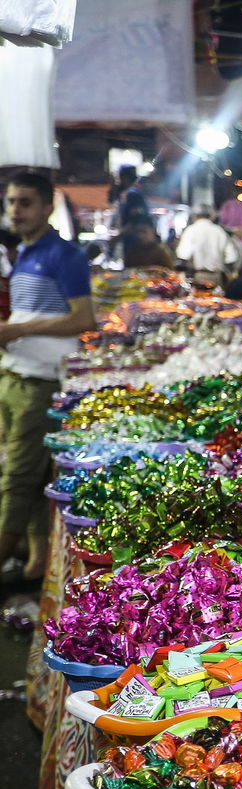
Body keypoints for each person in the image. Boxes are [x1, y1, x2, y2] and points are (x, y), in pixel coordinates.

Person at [0, 174, 98, 588]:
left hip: (42, 383)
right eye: (10, 202)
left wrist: (19, 331)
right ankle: (35, 565)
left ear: (47, 207)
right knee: (35, 477)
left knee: (17, 478)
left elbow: (84, 319)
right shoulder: (23, 252)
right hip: (14, 375)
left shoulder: (65, 256)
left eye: (25, 202)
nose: (15, 211)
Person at [175, 205, 240, 283]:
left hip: (198, 277)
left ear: (195, 215)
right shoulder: (219, 231)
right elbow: (231, 257)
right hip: (217, 277)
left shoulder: (191, 230)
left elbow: (183, 255)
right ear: (211, 216)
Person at [113, 164, 150, 231]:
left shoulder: (133, 194)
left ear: (124, 178)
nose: (116, 179)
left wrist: (116, 238)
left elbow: (135, 221)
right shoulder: (130, 193)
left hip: (134, 239)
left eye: (118, 176)